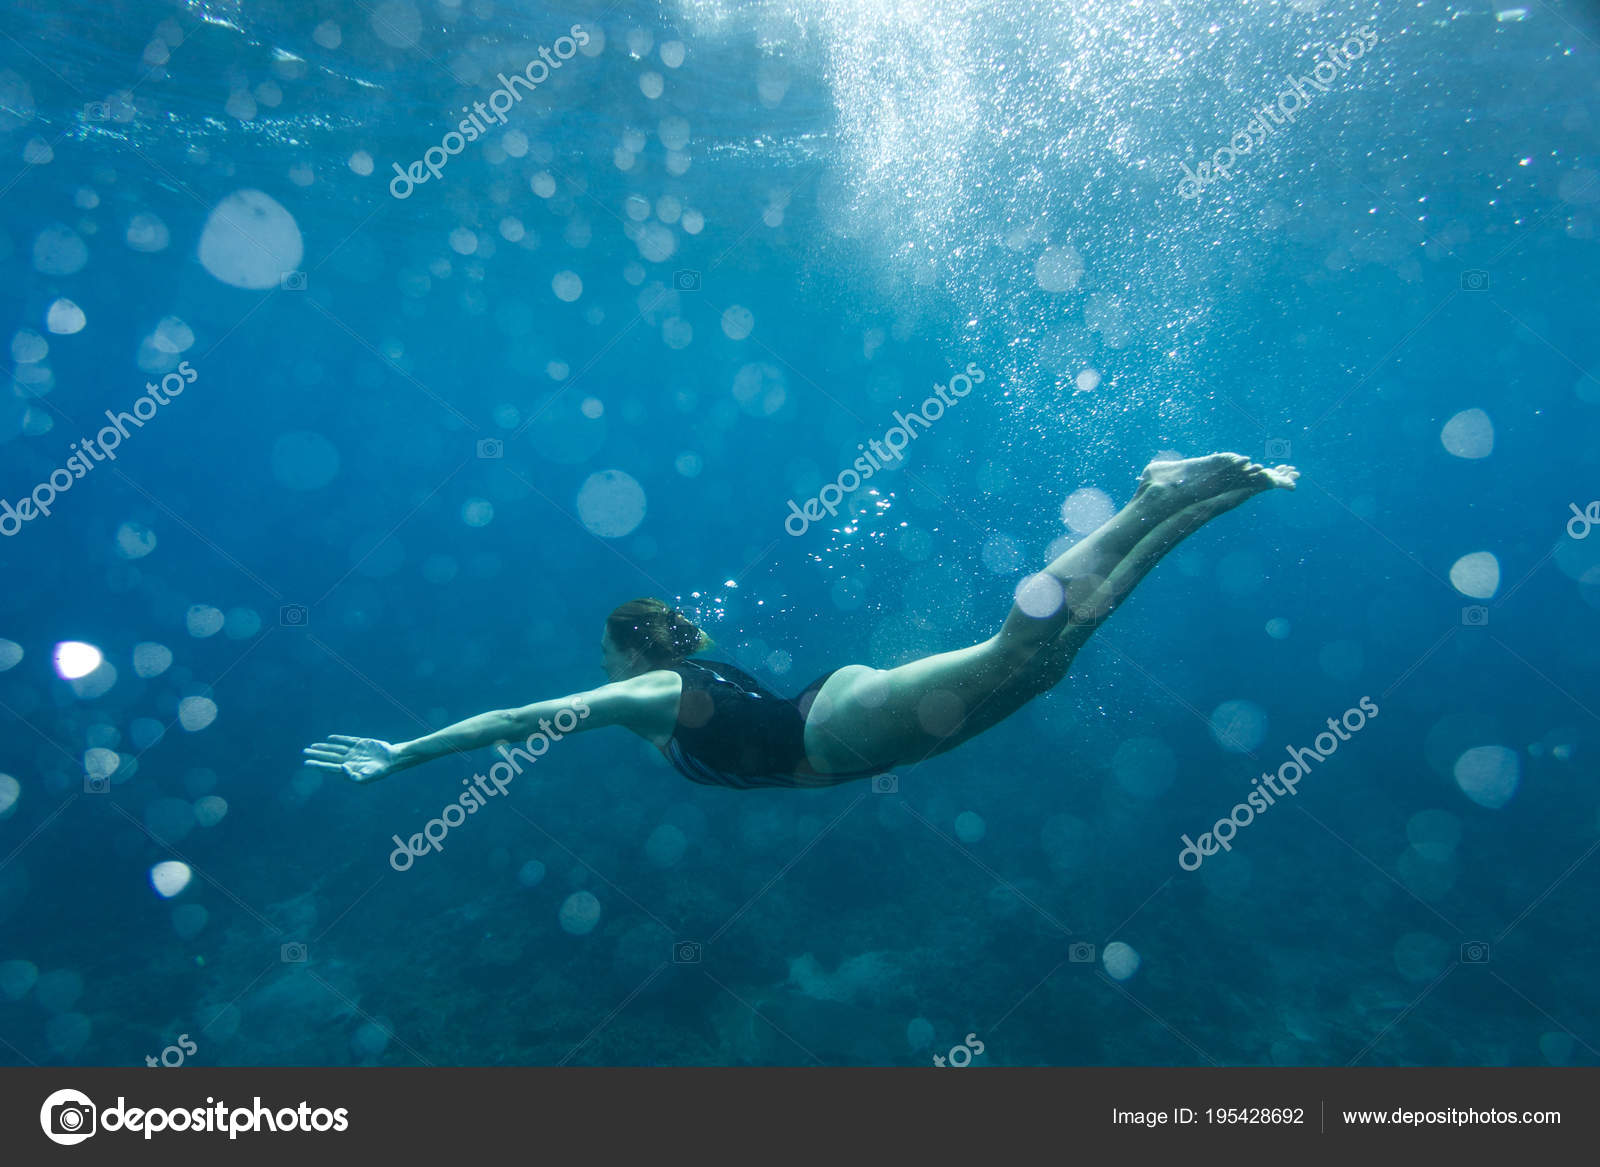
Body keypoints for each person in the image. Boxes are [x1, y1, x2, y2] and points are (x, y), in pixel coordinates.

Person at [303, 453, 1297, 789]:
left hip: (836, 730)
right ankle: (1201, 504)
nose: (593, 663)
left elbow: (517, 722)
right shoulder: (678, 681)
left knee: (1020, 647)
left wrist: (405, 755)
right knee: (1048, 666)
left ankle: (1150, 495)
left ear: (622, 647)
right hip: (837, 719)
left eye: (600, 650)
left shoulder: (642, 694)